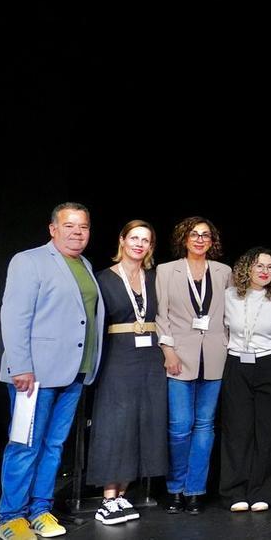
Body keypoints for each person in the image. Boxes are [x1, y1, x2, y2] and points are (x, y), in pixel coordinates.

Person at [0, 203, 105, 540]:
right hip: (34, 375)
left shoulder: (85, 264)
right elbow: (15, 316)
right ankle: (11, 517)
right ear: (52, 229)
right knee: (25, 445)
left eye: (83, 226)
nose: (77, 232)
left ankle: (40, 509)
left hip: (74, 372)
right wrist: (22, 366)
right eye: (69, 225)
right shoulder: (29, 261)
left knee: (55, 446)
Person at [87, 220, 166, 526]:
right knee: (116, 423)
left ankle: (123, 494)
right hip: (118, 355)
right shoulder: (103, 278)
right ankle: (108, 497)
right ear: (122, 240)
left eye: (145, 240)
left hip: (151, 356)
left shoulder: (153, 277)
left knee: (143, 422)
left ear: (150, 247)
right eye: (134, 238)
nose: (139, 244)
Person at [156, 216, 231, 515]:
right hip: (179, 358)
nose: (200, 239)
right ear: (183, 238)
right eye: (194, 234)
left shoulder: (224, 272)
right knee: (179, 428)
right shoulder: (166, 270)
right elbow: (161, 314)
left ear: (212, 241)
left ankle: (195, 490)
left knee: (205, 427)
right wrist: (168, 351)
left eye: (206, 235)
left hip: (215, 356)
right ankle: (175, 488)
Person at [220, 248, 271, 512]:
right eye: (259, 266)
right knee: (237, 430)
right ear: (246, 269)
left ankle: (263, 490)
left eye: (269, 267)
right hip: (237, 363)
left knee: (268, 430)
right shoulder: (229, 296)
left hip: (270, 364)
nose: (264, 271)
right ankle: (235, 491)